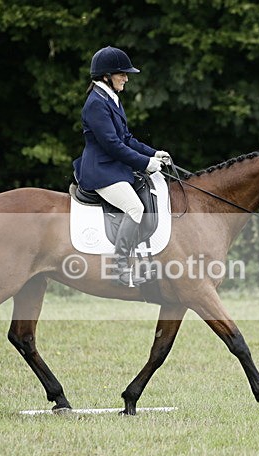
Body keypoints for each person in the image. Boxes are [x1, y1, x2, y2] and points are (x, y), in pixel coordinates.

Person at [74, 46, 170, 286]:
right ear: (106, 75)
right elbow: (113, 146)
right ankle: (119, 269)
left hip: (113, 168)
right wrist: (146, 163)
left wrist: (153, 152)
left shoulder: (110, 99)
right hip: (101, 171)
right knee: (135, 208)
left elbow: (127, 138)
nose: (126, 78)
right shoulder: (96, 103)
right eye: (122, 74)